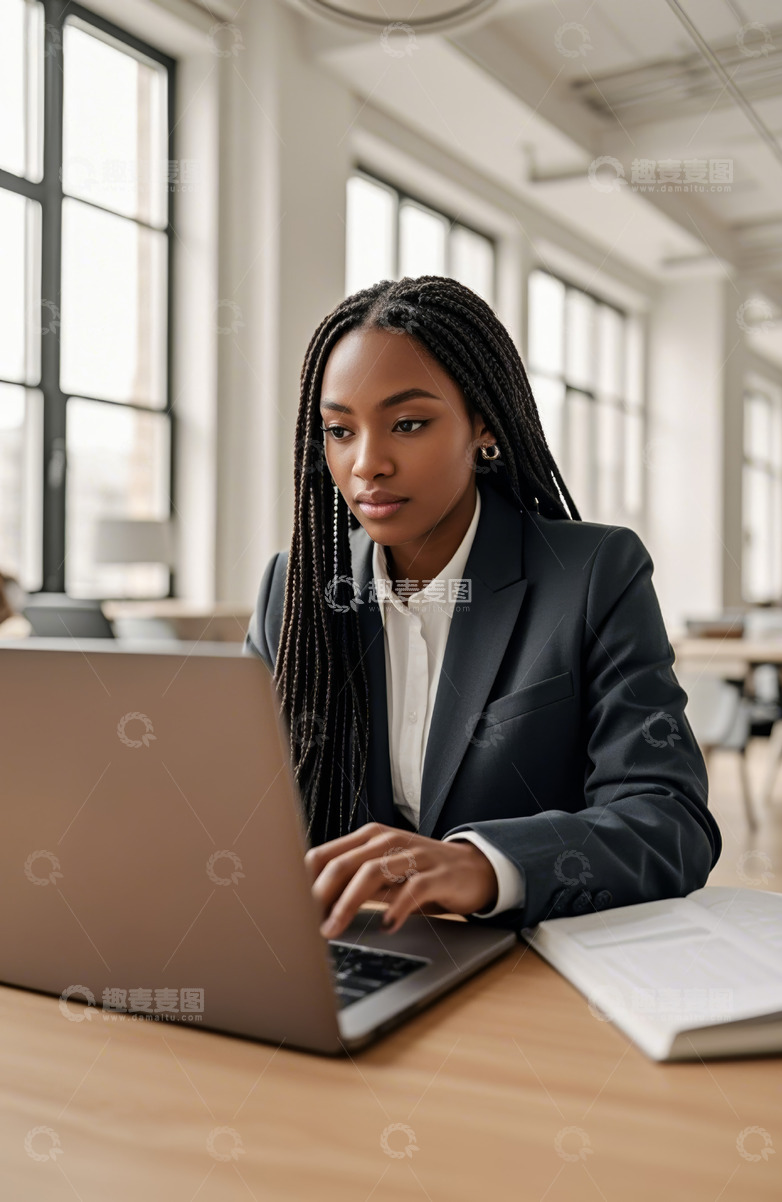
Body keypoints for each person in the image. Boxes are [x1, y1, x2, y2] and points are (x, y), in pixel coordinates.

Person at [244, 275, 721, 940]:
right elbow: (238, 815)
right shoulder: (292, 594)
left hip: (526, 969)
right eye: (339, 430)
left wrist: (485, 865)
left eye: (408, 424)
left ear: (484, 427)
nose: (367, 463)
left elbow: (669, 820)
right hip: (335, 957)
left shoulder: (591, 575)